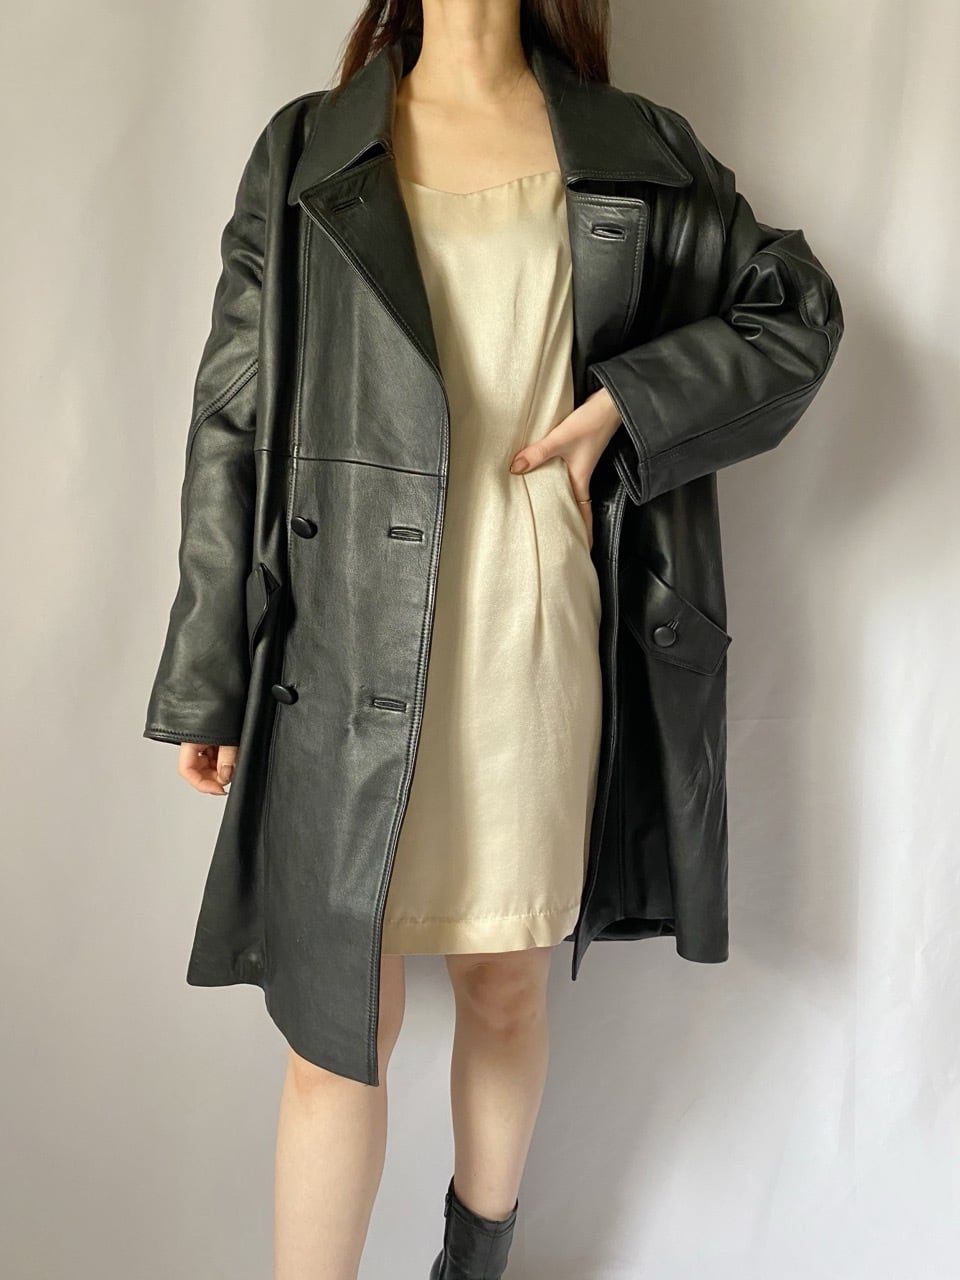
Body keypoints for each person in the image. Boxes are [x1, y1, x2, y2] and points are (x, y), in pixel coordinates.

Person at [143, 3, 844, 1277]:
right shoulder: (309, 147)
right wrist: (208, 670)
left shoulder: (636, 148)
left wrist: (623, 405)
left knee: (505, 985)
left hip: (530, 633)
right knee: (333, 1032)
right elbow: (229, 418)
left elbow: (794, 312)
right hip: (339, 641)